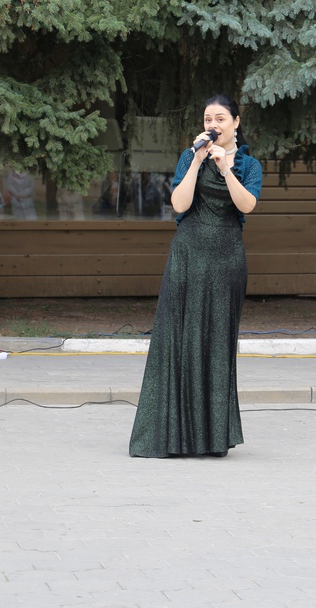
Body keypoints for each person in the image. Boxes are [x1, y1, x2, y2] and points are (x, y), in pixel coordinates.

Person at [129, 95, 263, 458]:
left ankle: (211, 437)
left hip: (226, 259)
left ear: (236, 122)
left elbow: (247, 205)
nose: (213, 125)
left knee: (217, 343)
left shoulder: (249, 165)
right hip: (187, 256)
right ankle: (172, 437)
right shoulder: (191, 157)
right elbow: (179, 204)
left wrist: (225, 168)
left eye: (220, 118)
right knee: (177, 339)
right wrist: (198, 160)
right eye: (207, 119)